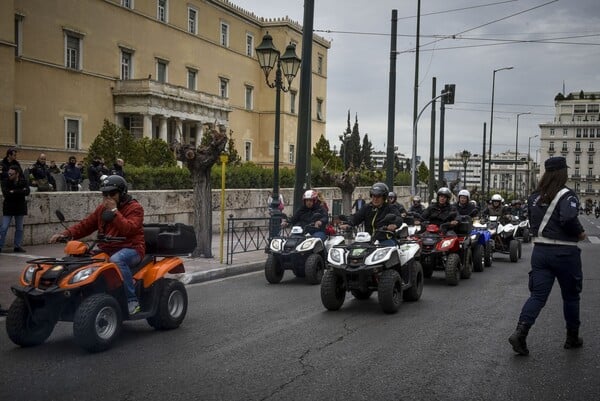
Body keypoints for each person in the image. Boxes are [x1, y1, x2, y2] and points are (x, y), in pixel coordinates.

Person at [508, 156, 586, 356]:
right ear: (562, 173)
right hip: (565, 252)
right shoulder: (567, 195)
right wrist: (579, 232)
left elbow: (532, 222)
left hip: (541, 252)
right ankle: (572, 337)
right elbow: (568, 217)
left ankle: (520, 332)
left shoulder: (534, 196)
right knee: (570, 296)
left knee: (537, 296)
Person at [49, 175, 145, 314]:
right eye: (105, 194)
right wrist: (65, 234)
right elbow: (86, 225)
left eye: (112, 194)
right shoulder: (102, 209)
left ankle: (132, 300)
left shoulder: (135, 208)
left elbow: (129, 229)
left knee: (117, 260)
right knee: (82, 261)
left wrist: (114, 212)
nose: (108, 197)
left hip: (132, 248)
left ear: (122, 193)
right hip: (107, 248)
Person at [0, 166, 30, 253]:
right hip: (8, 208)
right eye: (9, 173)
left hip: (19, 207)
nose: (9, 175)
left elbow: (27, 192)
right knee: (4, 227)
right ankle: (0, 245)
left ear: (17, 174)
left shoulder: (23, 181)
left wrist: (14, 191)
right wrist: (20, 191)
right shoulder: (5, 181)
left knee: (19, 228)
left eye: (11, 174)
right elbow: (6, 193)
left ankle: (17, 246)